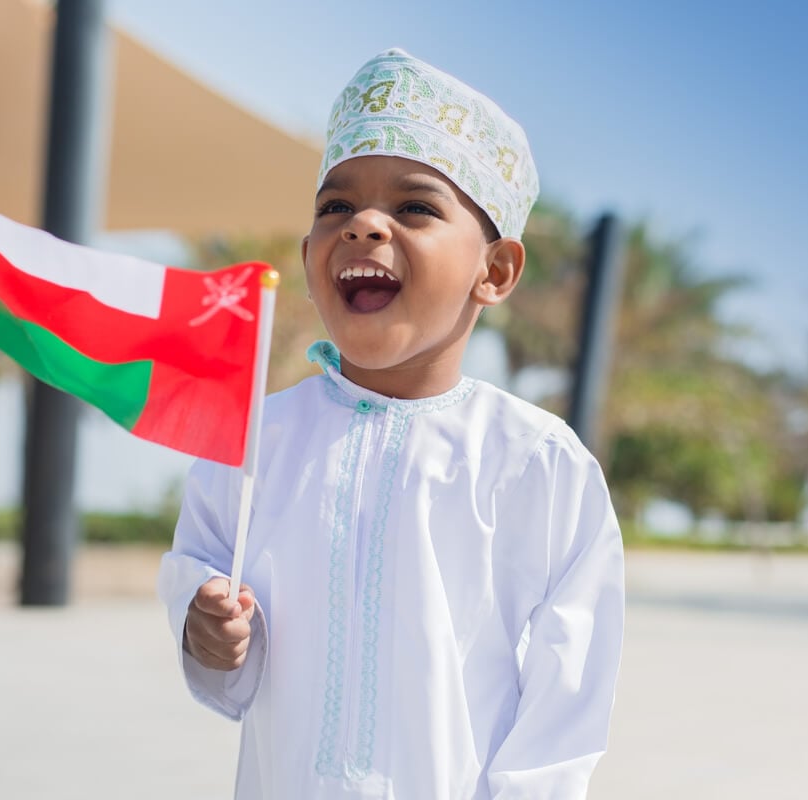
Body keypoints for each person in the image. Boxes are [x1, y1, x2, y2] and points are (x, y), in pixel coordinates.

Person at [159, 47, 624, 799]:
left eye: (414, 207)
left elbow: (566, 699)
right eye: (335, 207)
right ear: (310, 255)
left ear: (495, 270)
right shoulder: (253, 440)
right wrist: (205, 626)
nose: (363, 225)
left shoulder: (540, 463)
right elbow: (201, 570)